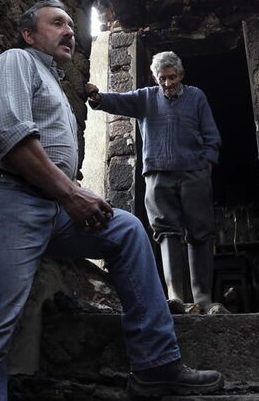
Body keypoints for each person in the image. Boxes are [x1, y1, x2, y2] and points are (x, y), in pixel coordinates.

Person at [0, 0, 224, 400]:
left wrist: (71, 192)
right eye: (57, 23)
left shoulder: (55, 85)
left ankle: (157, 366)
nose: (69, 32)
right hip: (3, 195)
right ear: (29, 35)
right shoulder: (14, 62)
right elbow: (11, 139)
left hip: (50, 202)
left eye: (71, 27)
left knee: (127, 230)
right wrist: (71, 192)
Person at [86, 51, 224, 314]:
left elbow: (211, 134)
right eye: (162, 79)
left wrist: (207, 163)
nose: (167, 84)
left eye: (172, 78)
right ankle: (176, 297)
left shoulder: (196, 97)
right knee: (166, 232)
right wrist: (98, 98)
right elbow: (118, 101)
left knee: (200, 232)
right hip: (158, 174)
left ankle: (203, 298)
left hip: (194, 172)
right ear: (155, 77)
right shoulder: (146, 97)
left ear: (181, 76)